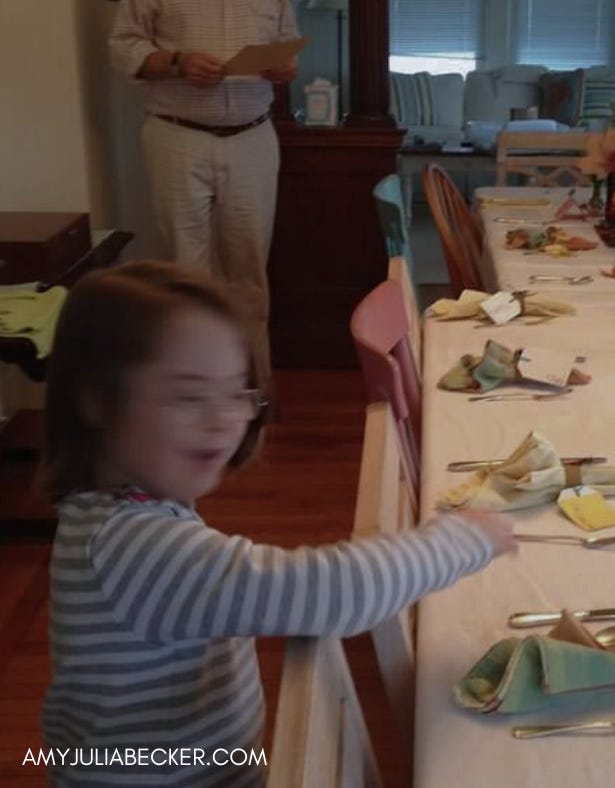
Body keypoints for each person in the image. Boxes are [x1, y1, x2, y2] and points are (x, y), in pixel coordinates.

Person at [41, 261, 516, 786]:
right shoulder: (132, 546)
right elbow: (330, 592)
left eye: (236, 393)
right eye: (189, 395)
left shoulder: (121, 514)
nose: (225, 418)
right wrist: (464, 539)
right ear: (98, 401)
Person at [109, 0, 301, 384]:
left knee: (248, 270)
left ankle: (253, 386)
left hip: (253, 137)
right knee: (187, 270)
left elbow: (288, 47)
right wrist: (178, 62)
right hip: (179, 136)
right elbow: (124, 46)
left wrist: (285, 68)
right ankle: (195, 386)